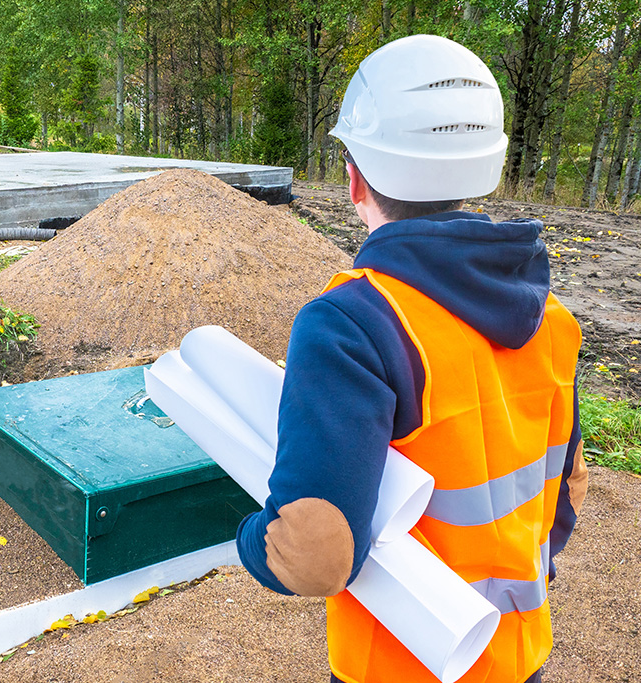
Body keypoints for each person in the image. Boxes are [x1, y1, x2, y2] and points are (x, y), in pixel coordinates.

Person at [235, 34, 588, 683]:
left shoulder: (350, 326)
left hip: (397, 668)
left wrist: (249, 538)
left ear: (354, 178)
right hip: (519, 656)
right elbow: (567, 490)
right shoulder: (552, 320)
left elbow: (314, 554)